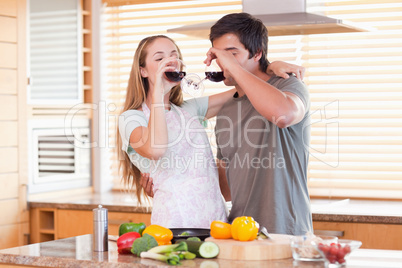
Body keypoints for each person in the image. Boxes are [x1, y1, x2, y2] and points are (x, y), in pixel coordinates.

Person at [205, 12, 312, 236]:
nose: (224, 62)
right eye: (220, 55)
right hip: (241, 233)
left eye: (232, 54)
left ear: (257, 54)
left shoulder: (288, 85)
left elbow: (283, 115)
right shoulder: (225, 109)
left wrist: (234, 67)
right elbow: (225, 190)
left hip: (286, 232)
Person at [117, 35, 233, 228]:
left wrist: (269, 69)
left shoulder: (189, 109)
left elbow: (242, 92)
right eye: (159, 58)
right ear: (143, 71)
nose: (169, 62)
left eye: (174, 56)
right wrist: (158, 93)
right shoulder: (131, 118)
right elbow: (155, 149)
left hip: (216, 221)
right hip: (175, 223)